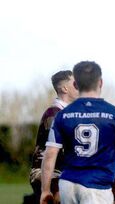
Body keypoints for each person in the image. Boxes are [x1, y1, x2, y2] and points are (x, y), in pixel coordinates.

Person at [39, 61, 115, 204]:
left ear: (76, 85)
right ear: (101, 83)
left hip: (67, 185)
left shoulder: (62, 115)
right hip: (97, 186)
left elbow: (49, 155)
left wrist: (45, 190)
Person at [28, 70, 79, 204]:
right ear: (64, 89)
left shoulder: (70, 114)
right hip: (46, 172)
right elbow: (57, 151)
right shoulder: (53, 114)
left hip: (63, 171)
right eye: (75, 83)